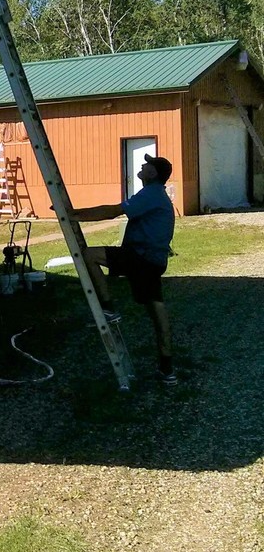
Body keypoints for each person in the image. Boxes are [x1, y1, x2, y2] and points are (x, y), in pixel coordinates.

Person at [69, 154, 177, 386]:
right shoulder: (157, 194)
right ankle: (167, 369)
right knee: (157, 312)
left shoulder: (151, 193)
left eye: (147, 164)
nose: (142, 165)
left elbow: (113, 211)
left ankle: (107, 308)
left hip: (141, 256)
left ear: (153, 173)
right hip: (154, 260)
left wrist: (75, 215)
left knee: (88, 255)